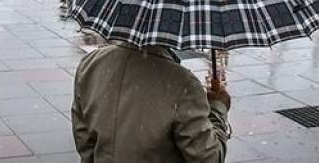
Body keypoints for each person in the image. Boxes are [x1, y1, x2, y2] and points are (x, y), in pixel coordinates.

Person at [73, 42, 230, 163]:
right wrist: (217, 109)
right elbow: (208, 158)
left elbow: (84, 142)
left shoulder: (90, 66)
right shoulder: (182, 83)